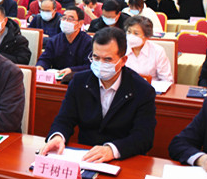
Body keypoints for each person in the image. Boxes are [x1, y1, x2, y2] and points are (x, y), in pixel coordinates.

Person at [39, 27, 157, 162]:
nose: (100, 64)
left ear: (123, 60)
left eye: (107, 59)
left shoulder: (142, 90)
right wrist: (58, 136)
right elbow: (65, 119)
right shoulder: (79, 81)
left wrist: (112, 150)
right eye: (96, 57)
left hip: (122, 159)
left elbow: (144, 137)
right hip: (85, 156)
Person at [36, 7, 93, 77]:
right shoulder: (54, 40)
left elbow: (90, 66)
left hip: (79, 78)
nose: (66, 21)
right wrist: (41, 66)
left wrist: (72, 70)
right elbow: (45, 59)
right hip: (57, 77)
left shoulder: (88, 42)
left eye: (70, 19)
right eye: (64, 18)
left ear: (80, 24)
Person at [124, 15, 173, 82]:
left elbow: (166, 80)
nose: (131, 36)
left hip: (151, 87)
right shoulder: (121, 48)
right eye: (129, 32)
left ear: (147, 36)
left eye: (136, 33)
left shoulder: (157, 51)